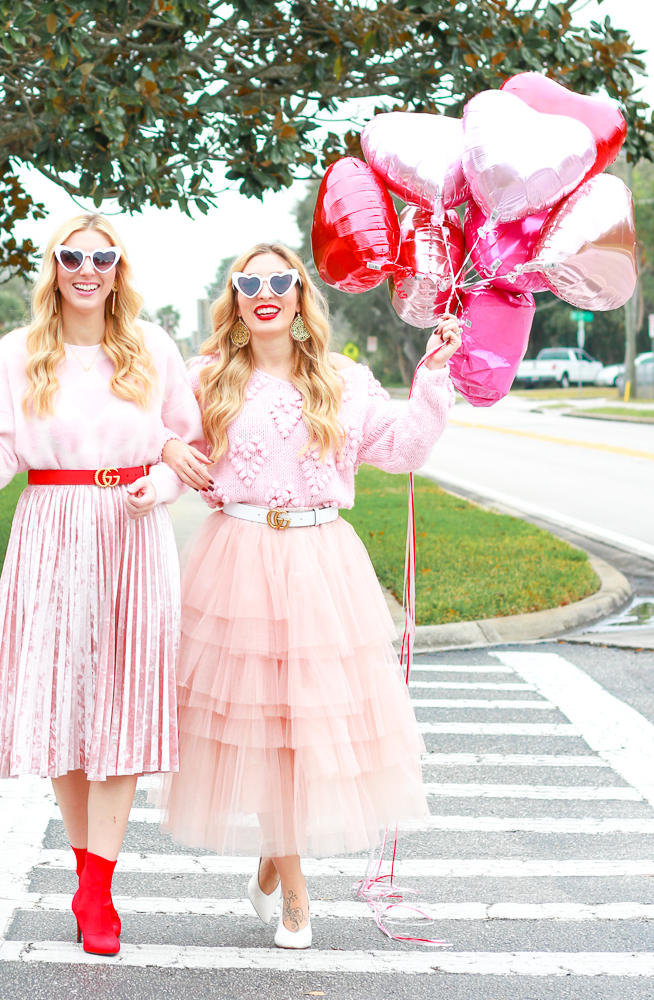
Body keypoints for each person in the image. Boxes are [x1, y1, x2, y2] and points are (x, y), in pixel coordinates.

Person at [0, 213, 203, 957]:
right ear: (57, 265)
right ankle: (89, 884)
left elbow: (188, 444)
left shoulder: (152, 345)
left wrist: (158, 487)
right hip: (51, 527)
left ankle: (100, 884)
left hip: (131, 531)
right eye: (74, 256)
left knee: (124, 706)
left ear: (119, 268)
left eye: (103, 257)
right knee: (69, 709)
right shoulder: (18, 351)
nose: (87, 269)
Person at [159, 242, 460, 949]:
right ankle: (296, 895)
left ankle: (273, 860)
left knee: (305, 738)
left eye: (280, 280)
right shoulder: (206, 379)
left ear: (300, 295)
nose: (265, 291)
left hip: (323, 566)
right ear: (234, 298)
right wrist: (168, 451)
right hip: (238, 561)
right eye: (249, 281)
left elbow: (407, 448)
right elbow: (161, 436)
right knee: (265, 737)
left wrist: (434, 374)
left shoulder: (342, 381)